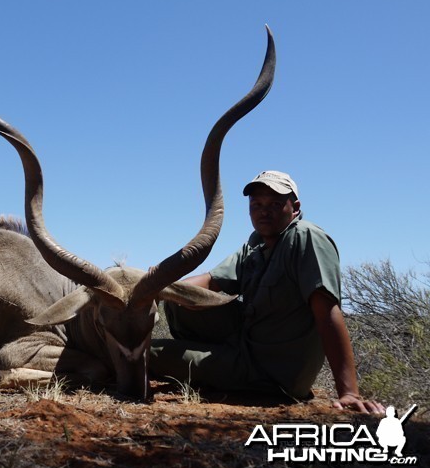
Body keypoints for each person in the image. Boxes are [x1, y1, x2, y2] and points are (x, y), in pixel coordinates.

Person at [150, 170, 384, 414]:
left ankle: (210, 368)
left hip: (271, 371)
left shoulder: (305, 238)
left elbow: (327, 313)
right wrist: (157, 290)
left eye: (274, 203)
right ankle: (210, 365)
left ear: (294, 207)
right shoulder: (257, 244)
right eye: (257, 204)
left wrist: (349, 393)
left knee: (149, 353)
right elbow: (210, 281)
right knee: (176, 300)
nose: (264, 211)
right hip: (245, 344)